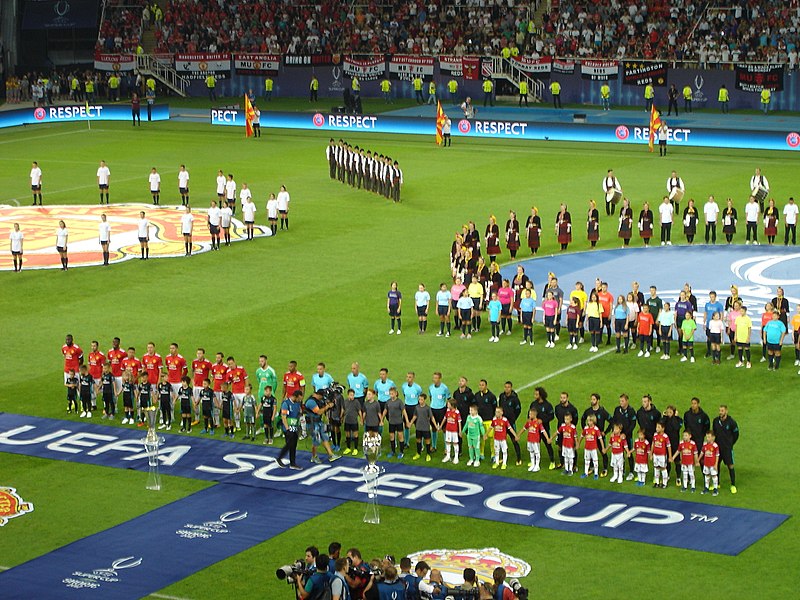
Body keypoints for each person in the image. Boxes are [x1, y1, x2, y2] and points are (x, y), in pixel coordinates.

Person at [713, 405, 739, 493]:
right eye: (720, 410)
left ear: (726, 411)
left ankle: (733, 485)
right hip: (718, 447)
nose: (720, 412)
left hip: (727, 448)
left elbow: (736, 434)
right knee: (717, 465)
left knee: (730, 465)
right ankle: (717, 483)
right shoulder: (716, 421)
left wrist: (730, 443)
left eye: (722, 411)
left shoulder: (731, 422)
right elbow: (714, 433)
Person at [276, 390, 303, 469]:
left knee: (294, 445)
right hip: (288, 428)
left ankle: (292, 463)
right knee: (289, 445)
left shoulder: (297, 404)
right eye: (299, 399)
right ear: (295, 396)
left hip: (295, 427)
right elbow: (284, 417)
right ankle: (279, 458)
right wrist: (287, 429)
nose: (300, 400)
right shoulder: (286, 403)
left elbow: (298, 414)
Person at [409, 393, 434, 461]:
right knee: (418, 440)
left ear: (424, 400)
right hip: (418, 427)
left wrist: (435, 425)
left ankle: (428, 454)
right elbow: (415, 416)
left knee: (427, 441)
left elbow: (431, 417)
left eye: (421, 400)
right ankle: (418, 453)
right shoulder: (417, 407)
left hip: (425, 427)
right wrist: (410, 423)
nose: (420, 401)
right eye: (419, 399)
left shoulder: (427, 408)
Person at [579, 414, 604, 479]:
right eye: (588, 421)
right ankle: (586, 473)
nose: (588, 423)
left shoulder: (596, 429)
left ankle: (596, 474)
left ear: (593, 421)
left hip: (593, 448)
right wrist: (578, 443)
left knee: (595, 460)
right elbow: (582, 436)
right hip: (587, 448)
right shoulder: (586, 428)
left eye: (590, 421)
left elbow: (600, 438)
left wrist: (603, 447)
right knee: (587, 460)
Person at [701, 431, 721, 495]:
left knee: (714, 476)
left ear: (713, 438)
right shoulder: (704, 444)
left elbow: (717, 455)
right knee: (707, 475)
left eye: (709, 437)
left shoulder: (715, 446)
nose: (707, 438)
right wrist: (697, 459)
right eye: (706, 437)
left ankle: (715, 489)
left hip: (713, 464)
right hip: (706, 463)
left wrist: (716, 464)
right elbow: (702, 452)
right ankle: (706, 488)